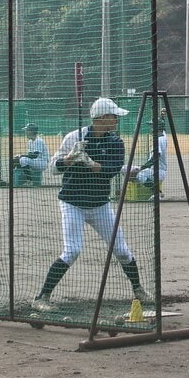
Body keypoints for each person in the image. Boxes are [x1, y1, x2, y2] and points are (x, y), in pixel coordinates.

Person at [31, 96, 154, 313]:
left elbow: (112, 170)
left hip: (100, 205)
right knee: (72, 251)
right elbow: (53, 168)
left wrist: (90, 163)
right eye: (113, 116)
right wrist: (69, 159)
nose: (116, 120)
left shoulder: (115, 142)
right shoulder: (74, 137)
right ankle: (42, 298)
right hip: (73, 203)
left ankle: (138, 290)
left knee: (122, 251)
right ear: (102, 118)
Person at [123, 117, 168, 199]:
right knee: (125, 168)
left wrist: (141, 168)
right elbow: (163, 129)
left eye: (152, 126)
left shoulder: (158, 140)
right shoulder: (163, 135)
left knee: (139, 174)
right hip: (154, 170)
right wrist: (162, 116)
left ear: (157, 128)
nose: (151, 129)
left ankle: (158, 193)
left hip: (157, 171)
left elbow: (155, 158)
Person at [13, 122, 49, 186]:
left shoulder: (38, 141)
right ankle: (15, 180)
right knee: (16, 160)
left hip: (42, 162)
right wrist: (19, 158)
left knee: (23, 160)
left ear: (31, 132)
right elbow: (29, 154)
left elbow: (34, 156)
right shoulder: (30, 141)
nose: (25, 132)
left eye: (27, 130)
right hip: (36, 161)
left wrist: (21, 156)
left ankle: (30, 180)